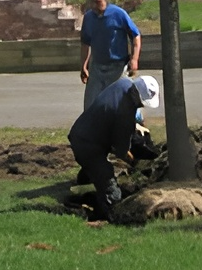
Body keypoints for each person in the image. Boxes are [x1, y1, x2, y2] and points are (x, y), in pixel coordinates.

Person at [67, 74, 161, 220]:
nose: (142, 105)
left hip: (84, 132)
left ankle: (85, 179)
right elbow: (121, 152)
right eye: (142, 102)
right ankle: (110, 213)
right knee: (107, 180)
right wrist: (134, 163)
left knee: (94, 163)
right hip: (86, 144)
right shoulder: (123, 114)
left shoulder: (123, 83)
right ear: (135, 95)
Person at [80, 0, 142, 109]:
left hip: (117, 67)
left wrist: (134, 59)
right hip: (97, 68)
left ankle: (135, 124)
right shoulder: (89, 18)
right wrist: (83, 66)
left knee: (118, 104)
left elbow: (135, 36)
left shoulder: (118, 14)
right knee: (90, 106)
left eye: (98, 2)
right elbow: (85, 43)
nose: (95, 6)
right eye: (93, 2)